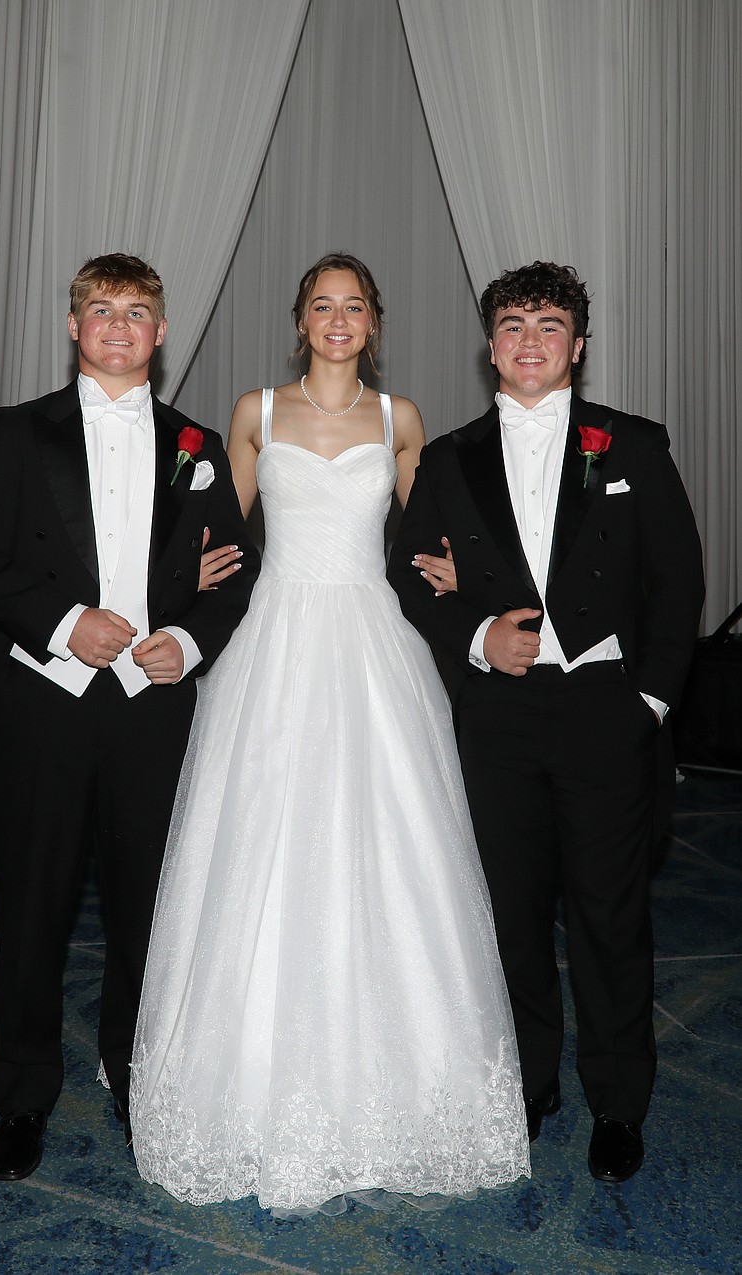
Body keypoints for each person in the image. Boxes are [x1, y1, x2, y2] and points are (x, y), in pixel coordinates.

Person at [129, 253, 530, 1213]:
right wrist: (171, 600)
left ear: (374, 323)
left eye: (355, 306)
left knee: (390, 841)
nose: (339, 320)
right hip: (275, 640)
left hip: (370, 641)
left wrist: (461, 587)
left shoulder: (403, 422)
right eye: (323, 305)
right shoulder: (254, 412)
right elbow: (212, 534)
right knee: (261, 833)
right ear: (301, 320)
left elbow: (435, 533)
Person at [0, 253, 259, 1182]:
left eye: (137, 312)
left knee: (147, 908)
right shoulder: (18, 432)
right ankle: (24, 1094)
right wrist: (65, 621)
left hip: (150, 711)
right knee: (34, 902)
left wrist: (188, 643)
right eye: (101, 310)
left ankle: (138, 1078)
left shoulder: (197, 445)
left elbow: (233, 575)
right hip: (47, 703)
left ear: (160, 335)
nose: (119, 325)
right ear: (76, 327)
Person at [388, 261, 705, 1183]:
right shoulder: (449, 457)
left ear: (578, 346)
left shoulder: (632, 446)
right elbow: (410, 573)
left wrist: (648, 700)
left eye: (550, 324)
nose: (532, 339)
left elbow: (678, 579)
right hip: (498, 718)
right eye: (515, 324)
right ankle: (528, 1082)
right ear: (491, 346)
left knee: (610, 915)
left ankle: (617, 1098)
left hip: (608, 713)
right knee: (510, 913)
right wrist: (481, 634)